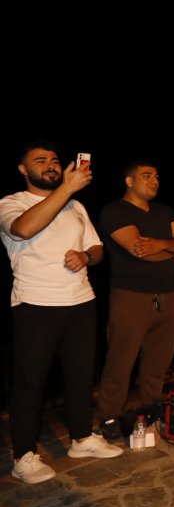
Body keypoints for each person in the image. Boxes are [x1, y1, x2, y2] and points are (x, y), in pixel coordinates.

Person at [1, 141, 123, 484]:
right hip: (35, 303)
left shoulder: (75, 205)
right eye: (40, 161)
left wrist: (86, 257)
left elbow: (96, 247)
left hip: (80, 300)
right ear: (24, 170)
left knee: (81, 377)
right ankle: (23, 456)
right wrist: (67, 188)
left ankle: (81, 439)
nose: (51, 165)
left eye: (54, 160)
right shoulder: (12, 203)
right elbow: (24, 229)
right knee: (31, 382)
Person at [96, 160, 174, 440]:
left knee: (159, 360)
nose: (154, 181)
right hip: (131, 297)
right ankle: (109, 415)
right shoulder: (115, 211)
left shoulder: (165, 211)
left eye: (157, 176)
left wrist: (162, 245)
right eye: (147, 176)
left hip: (167, 295)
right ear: (129, 181)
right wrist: (172, 253)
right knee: (121, 360)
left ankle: (152, 408)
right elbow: (138, 249)